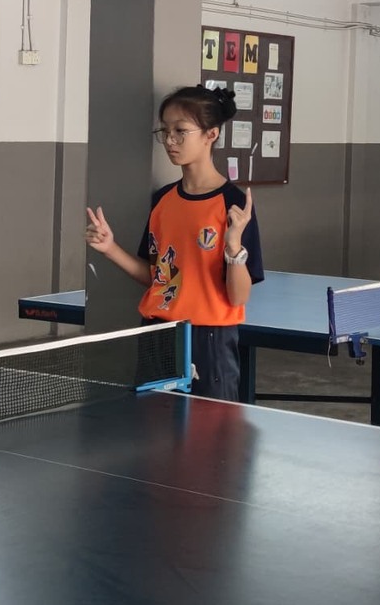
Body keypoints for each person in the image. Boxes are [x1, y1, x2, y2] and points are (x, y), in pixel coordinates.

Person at [85, 86, 263, 400]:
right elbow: (158, 277)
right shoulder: (163, 200)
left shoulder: (233, 204)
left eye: (180, 131)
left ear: (211, 134)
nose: (170, 140)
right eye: (165, 131)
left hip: (208, 339)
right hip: (157, 332)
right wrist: (110, 248)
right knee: (153, 424)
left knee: (210, 428)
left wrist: (234, 245)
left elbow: (239, 296)